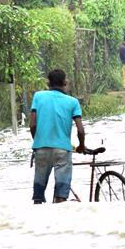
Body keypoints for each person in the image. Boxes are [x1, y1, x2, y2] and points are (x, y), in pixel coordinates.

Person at [29, 69, 86, 204]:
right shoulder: (73, 102)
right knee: (61, 194)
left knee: (38, 194)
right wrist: (82, 145)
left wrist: (37, 141)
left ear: (48, 83)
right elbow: (81, 130)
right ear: (64, 82)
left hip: (41, 149)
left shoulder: (38, 96)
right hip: (63, 150)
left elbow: (32, 125)